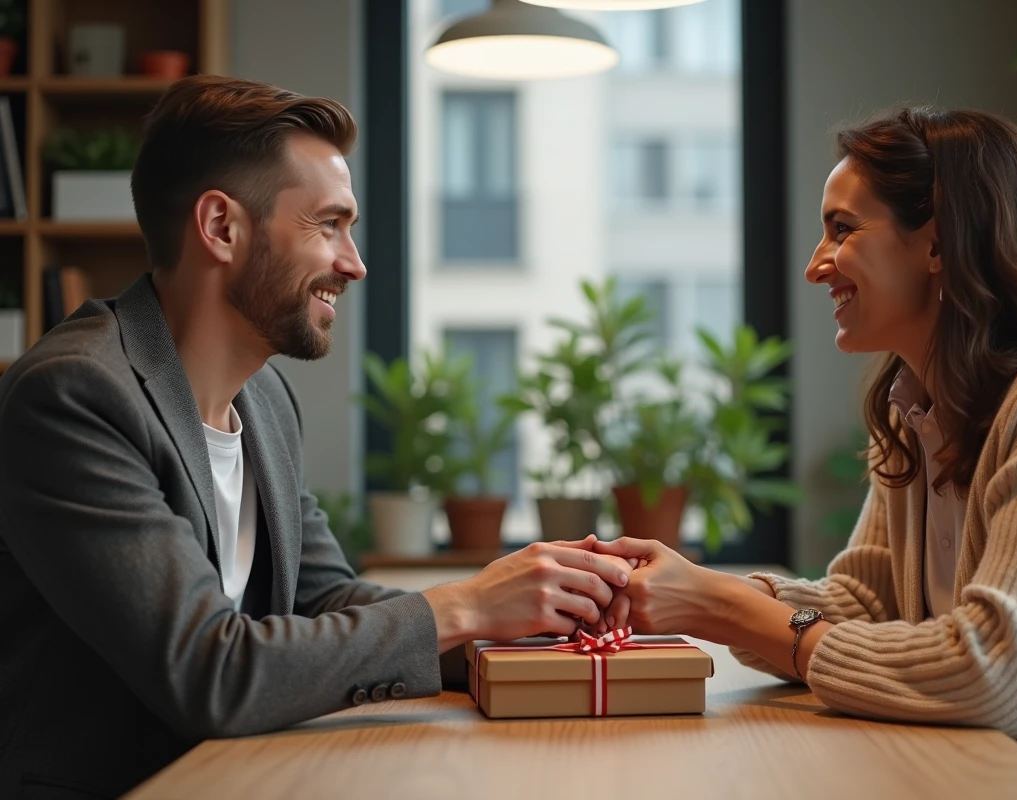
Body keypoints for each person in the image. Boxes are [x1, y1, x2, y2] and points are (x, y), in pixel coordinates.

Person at [0, 75, 632, 798]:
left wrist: (521, 627)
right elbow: (209, 670)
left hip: (243, 777)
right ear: (221, 227)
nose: (354, 262)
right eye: (328, 224)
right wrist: (468, 606)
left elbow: (322, 599)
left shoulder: (264, 400)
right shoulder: (75, 396)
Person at [589, 107, 1017, 799]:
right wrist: (698, 593)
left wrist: (724, 610)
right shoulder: (920, 407)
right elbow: (869, 604)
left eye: (842, 230)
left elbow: (1003, 671)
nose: (816, 266)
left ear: (938, 241)